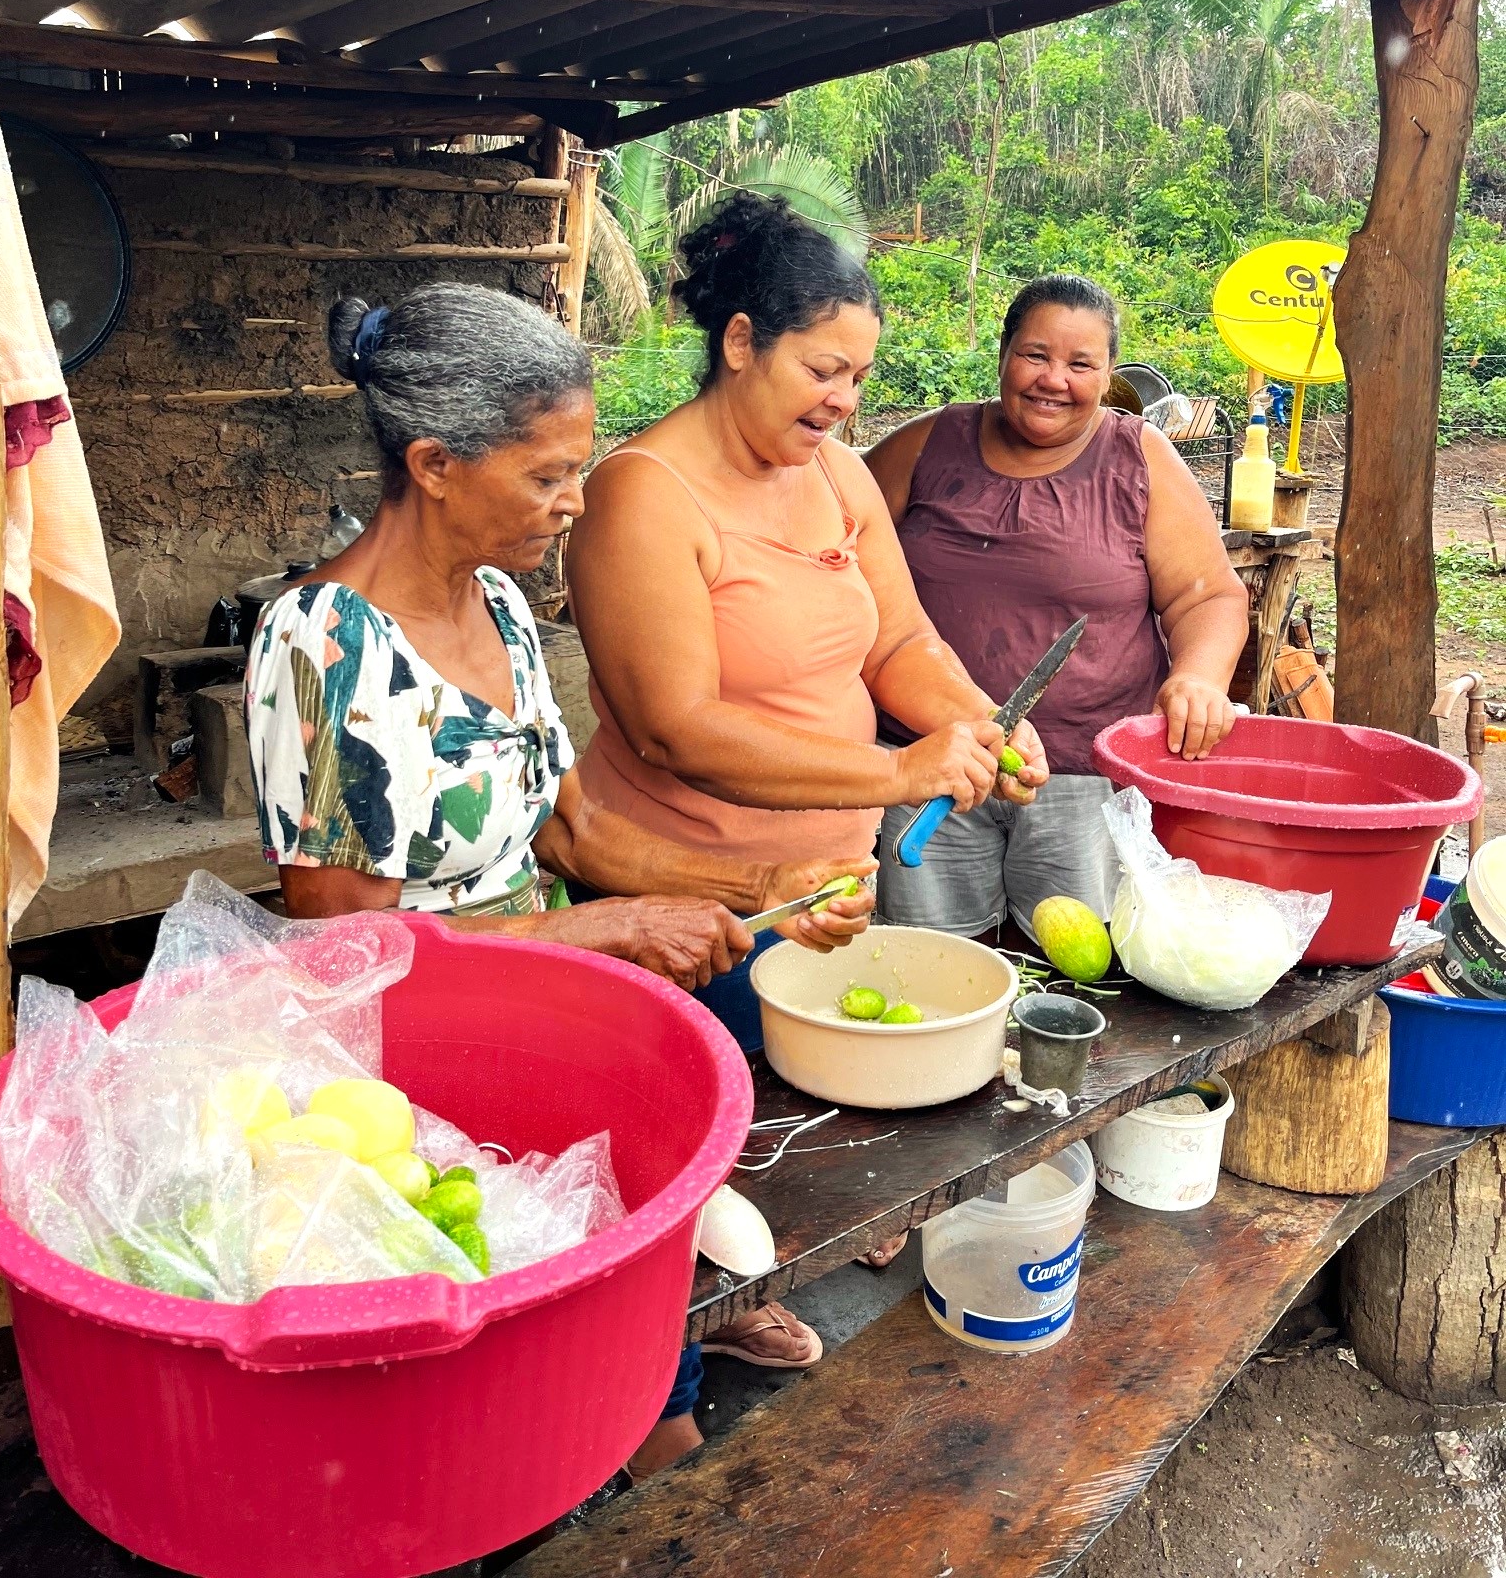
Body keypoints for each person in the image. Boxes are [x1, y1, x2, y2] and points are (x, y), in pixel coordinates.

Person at [243, 284, 874, 1479]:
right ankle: (641, 1475)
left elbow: (573, 833)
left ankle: (650, 1399)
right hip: (417, 1093)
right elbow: (348, 962)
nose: (576, 503)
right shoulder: (323, 647)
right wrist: (616, 932)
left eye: (579, 468)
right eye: (547, 477)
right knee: (510, 1393)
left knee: (618, 1284)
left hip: (543, 1032)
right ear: (433, 463)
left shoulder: (500, 603)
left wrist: (759, 882)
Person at [566, 196, 1049, 1448]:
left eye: (858, 377)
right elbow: (674, 724)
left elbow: (897, 641)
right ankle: (652, 1393)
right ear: (739, 341)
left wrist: (980, 723)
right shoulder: (644, 494)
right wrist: (899, 779)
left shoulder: (835, 476)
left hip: (826, 882)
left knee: (792, 1140)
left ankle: (731, 1300)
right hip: (686, 890)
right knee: (676, 1150)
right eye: (822, 370)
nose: (844, 402)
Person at [865, 272, 1248, 943]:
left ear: (1107, 378)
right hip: (931, 762)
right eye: (1036, 355)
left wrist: (1199, 676)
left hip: (1083, 782)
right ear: (1004, 355)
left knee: (1076, 970)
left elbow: (1208, 595)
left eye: (1081, 364)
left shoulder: (1140, 458)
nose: (1053, 380)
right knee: (930, 966)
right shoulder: (926, 445)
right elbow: (826, 542)